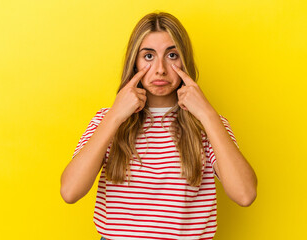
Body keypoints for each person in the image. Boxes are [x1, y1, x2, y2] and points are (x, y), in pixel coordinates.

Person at [60, 11, 257, 240]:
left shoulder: (208, 124)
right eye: (149, 56)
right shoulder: (107, 120)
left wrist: (207, 114)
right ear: (134, 61)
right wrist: (115, 116)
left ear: (185, 60)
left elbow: (245, 194)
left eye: (172, 55)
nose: (161, 69)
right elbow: (70, 191)